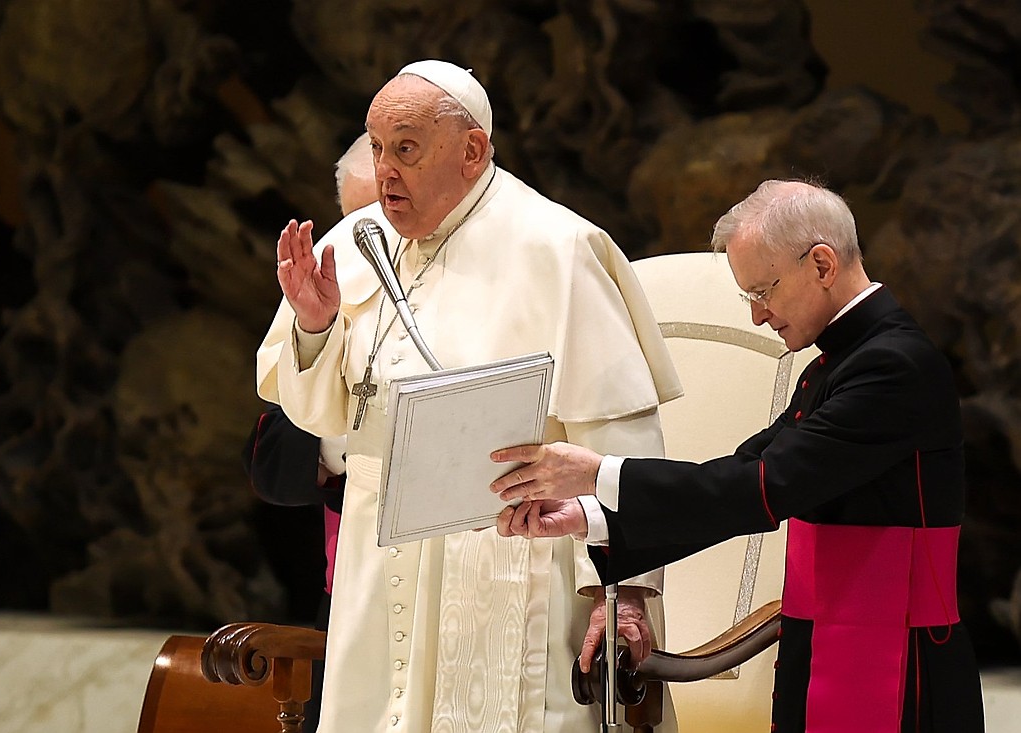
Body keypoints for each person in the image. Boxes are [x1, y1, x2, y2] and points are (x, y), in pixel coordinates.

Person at [256, 59, 684, 732]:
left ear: (472, 151)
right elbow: (318, 414)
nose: (386, 170)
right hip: (378, 559)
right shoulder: (354, 243)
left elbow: (621, 433)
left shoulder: (556, 247)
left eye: (406, 149)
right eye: (377, 147)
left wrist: (625, 591)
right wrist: (313, 327)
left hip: (511, 555)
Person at [491, 179, 986, 733]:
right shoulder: (844, 362)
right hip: (826, 634)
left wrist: (598, 471)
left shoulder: (893, 366)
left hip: (897, 654)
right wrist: (589, 514)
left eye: (763, 291)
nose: (757, 315)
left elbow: (763, 489)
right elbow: (742, 472)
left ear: (821, 264)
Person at [243, 132, 375, 733]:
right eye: (357, 220)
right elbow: (273, 465)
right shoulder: (327, 299)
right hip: (352, 588)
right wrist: (346, 436)